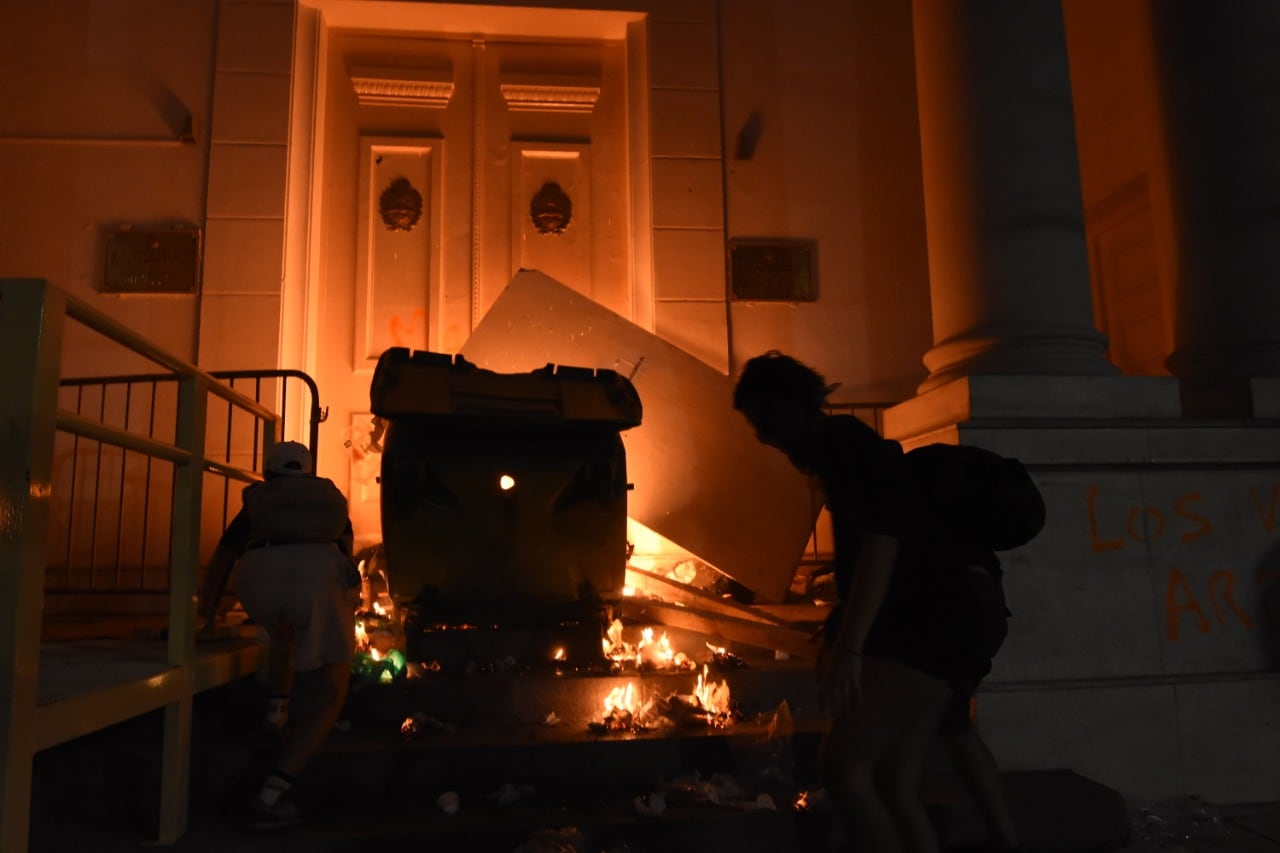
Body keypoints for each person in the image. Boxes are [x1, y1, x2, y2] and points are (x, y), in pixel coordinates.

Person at [733, 351, 1013, 853]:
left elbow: (883, 544)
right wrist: (841, 625)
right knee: (890, 781)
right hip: (945, 621)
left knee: (844, 769)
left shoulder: (843, 446)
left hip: (924, 626)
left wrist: (850, 649)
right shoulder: (847, 448)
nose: (762, 437)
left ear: (789, 408)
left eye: (762, 420)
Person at [198, 440, 360, 831]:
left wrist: (208, 612)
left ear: (268, 473)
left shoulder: (259, 502)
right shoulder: (328, 500)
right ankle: (270, 795)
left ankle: (275, 717)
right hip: (318, 574)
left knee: (280, 635)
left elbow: (223, 556)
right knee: (330, 690)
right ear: (309, 473)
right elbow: (346, 559)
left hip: (258, 576)